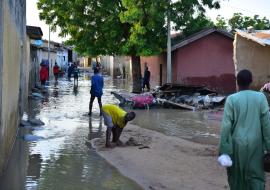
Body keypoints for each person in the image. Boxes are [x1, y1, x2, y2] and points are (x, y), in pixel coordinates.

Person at [219, 69, 270, 190]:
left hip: (236, 146)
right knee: (256, 177)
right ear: (251, 82)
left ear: (237, 82)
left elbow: (226, 126)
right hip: (256, 145)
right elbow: (267, 125)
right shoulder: (261, 98)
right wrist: (269, 147)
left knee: (236, 177)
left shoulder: (231, 99)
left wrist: (224, 150)